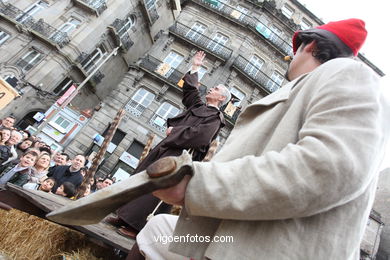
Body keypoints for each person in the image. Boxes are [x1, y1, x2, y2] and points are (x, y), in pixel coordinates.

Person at [127, 19, 390, 260]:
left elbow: (328, 168)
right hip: (244, 235)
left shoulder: (351, 75)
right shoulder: (306, 90)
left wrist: (198, 186)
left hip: (279, 248)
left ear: (309, 45)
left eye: (294, 51)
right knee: (157, 229)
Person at [106, 51, 231, 239]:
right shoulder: (199, 107)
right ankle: (124, 216)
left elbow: (201, 138)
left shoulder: (215, 117)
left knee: (156, 191)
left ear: (222, 98)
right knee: (142, 180)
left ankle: (139, 227)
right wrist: (195, 66)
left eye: (215, 89)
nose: (210, 89)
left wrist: (175, 132)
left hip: (178, 158)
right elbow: (190, 90)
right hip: (167, 148)